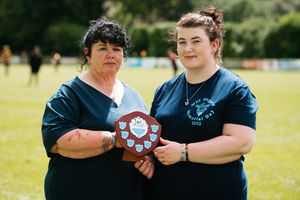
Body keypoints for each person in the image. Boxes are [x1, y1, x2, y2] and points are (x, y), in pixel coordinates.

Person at [147, 7, 258, 200]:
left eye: (196, 41)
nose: (187, 48)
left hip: (218, 193)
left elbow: (242, 142)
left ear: (214, 45)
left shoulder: (235, 88)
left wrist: (183, 152)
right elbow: (154, 140)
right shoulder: (164, 89)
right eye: (182, 42)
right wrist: (147, 158)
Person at [41, 18, 152, 200]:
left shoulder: (134, 96)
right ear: (88, 54)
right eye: (102, 48)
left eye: (116, 49)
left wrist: (147, 159)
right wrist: (116, 139)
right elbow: (58, 141)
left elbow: (143, 143)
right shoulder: (69, 93)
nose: (111, 54)